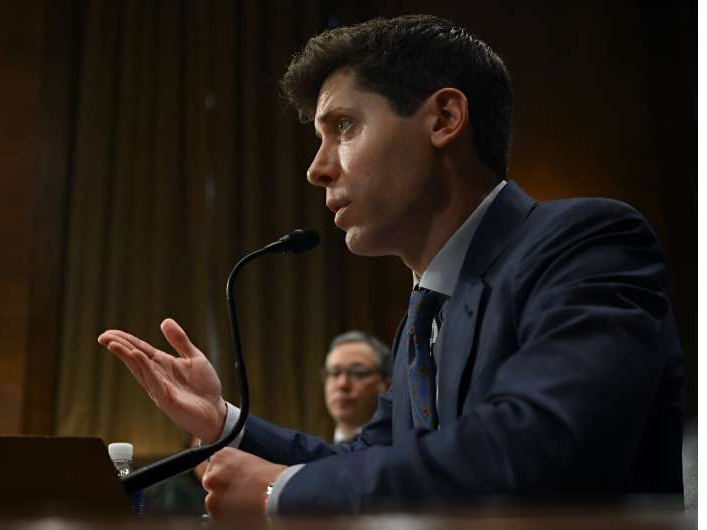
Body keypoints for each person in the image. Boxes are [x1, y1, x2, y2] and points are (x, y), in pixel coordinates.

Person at [98, 14, 682, 516]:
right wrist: (224, 421)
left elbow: (534, 447)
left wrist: (281, 492)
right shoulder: (422, 315)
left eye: (343, 127)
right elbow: (369, 462)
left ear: (444, 118)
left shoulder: (585, 243)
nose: (316, 169)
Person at [322, 331, 391, 443]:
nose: (342, 384)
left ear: (387, 385)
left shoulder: (402, 453)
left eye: (358, 372)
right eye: (335, 373)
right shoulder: (314, 456)